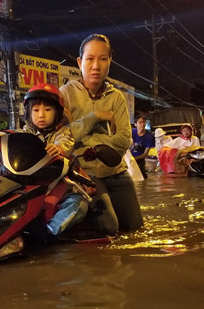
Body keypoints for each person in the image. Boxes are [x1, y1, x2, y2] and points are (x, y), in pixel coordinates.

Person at [59, 33, 143, 236]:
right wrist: (95, 116)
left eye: (102, 59)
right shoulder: (65, 94)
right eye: (90, 59)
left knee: (136, 229)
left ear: (109, 62)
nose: (96, 66)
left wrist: (88, 142)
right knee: (109, 228)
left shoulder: (117, 97)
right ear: (80, 62)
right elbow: (64, 137)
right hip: (85, 175)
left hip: (118, 173)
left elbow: (123, 140)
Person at [19, 83, 89, 237]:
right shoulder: (25, 133)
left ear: (57, 112)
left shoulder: (64, 132)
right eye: (36, 110)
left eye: (47, 109)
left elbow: (65, 144)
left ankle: (49, 232)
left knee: (80, 203)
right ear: (28, 113)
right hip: (31, 185)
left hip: (59, 184)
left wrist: (58, 149)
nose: (41, 115)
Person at [130, 114, 154, 179]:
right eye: (140, 122)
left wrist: (134, 159)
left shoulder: (149, 136)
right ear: (135, 124)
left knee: (142, 177)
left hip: (140, 158)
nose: (142, 124)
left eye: (144, 122)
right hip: (129, 157)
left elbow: (145, 154)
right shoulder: (131, 132)